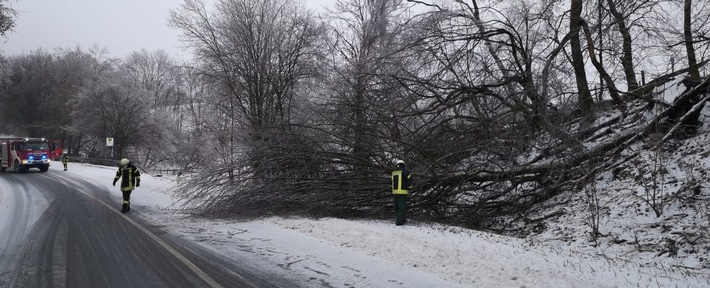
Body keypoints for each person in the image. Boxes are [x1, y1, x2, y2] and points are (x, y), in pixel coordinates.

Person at [391, 159, 412, 226]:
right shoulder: (405, 171)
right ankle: (399, 222)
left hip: (395, 192)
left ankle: (400, 219)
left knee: (397, 207)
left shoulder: (393, 172)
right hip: (402, 192)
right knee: (402, 207)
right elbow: (409, 180)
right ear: (403, 164)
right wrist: (410, 187)